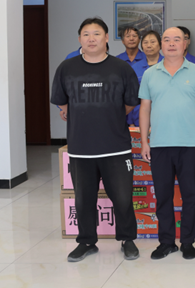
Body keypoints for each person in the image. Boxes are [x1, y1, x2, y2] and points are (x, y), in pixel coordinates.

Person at [50, 17, 140, 262]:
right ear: (80, 39)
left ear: (106, 38)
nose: (91, 39)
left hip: (116, 147)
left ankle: (127, 239)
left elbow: (130, 102)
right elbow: (61, 101)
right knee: (83, 199)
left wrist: (109, 115)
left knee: (123, 197)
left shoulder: (121, 68)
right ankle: (87, 242)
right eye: (86, 34)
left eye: (97, 34)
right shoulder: (66, 68)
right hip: (81, 148)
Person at [138, 27, 195, 260]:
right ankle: (166, 242)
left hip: (189, 145)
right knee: (163, 197)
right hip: (159, 145)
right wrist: (144, 141)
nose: (171, 44)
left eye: (176, 40)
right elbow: (145, 108)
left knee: (190, 196)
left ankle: (187, 242)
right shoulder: (150, 74)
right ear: (161, 45)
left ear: (184, 44)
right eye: (166, 40)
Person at [128, 30, 163, 127]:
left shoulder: (169, 65)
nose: (149, 45)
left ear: (160, 45)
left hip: (164, 116)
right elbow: (130, 96)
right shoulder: (134, 68)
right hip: (139, 116)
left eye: (153, 42)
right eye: (145, 42)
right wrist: (130, 121)